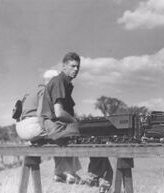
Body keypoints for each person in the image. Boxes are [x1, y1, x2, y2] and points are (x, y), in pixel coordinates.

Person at [40, 52, 113, 191]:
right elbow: (59, 112)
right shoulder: (59, 81)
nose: (76, 69)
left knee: (96, 135)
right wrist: (76, 122)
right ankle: (95, 177)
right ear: (64, 66)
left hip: (59, 126)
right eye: (72, 66)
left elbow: (67, 112)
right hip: (55, 127)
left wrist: (76, 121)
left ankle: (100, 177)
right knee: (94, 134)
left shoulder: (66, 84)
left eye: (78, 67)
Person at [15, 70, 82, 184]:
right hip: (34, 125)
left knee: (56, 137)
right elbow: (42, 113)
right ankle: (71, 173)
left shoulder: (31, 91)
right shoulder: (46, 90)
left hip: (21, 128)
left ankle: (59, 173)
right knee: (66, 133)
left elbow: (17, 113)